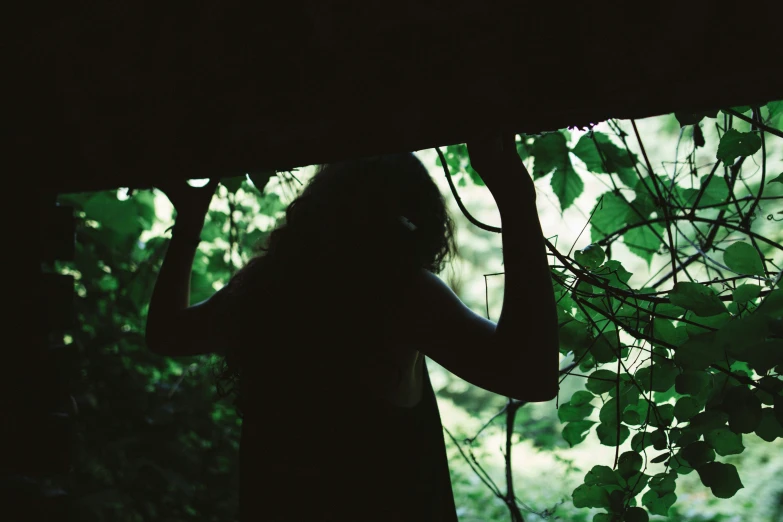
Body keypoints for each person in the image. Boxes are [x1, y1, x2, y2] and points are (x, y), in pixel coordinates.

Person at [145, 132, 559, 521]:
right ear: (413, 219)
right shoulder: (401, 293)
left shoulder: (266, 285)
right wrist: (515, 197)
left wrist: (188, 223)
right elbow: (531, 375)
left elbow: (166, 334)